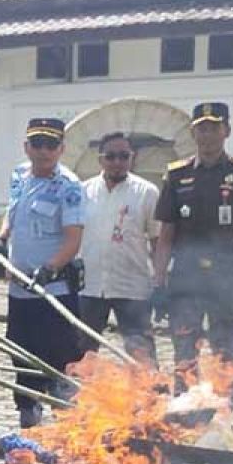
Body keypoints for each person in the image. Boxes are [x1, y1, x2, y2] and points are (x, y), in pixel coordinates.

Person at [154, 102, 233, 393]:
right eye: (201, 129)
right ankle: (183, 420)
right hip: (186, 281)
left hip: (227, 280)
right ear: (193, 133)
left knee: (225, 357)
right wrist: (158, 282)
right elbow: (166, 234)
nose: (207, 135)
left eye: (213, 128)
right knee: (184, 355)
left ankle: (223, 417)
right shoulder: (176, 175)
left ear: (226, 131)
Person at [0, 117, 85, 428]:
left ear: (61, 149)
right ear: (27, 146)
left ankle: (66, 424)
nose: (44, 151)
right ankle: (28, 416)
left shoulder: (69, 186)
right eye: (37, 143)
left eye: (51, 144)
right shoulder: (19, 175)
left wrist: (50, 268)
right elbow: (12, 212)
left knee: (59, 356)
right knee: (20, 351)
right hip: (19, 289)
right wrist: (1, 238)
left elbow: (73, 239)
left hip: (53, 291)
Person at [79, 132, 160, 365]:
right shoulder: (83, 192)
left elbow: (157, 239)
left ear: (132, 158)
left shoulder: (147, 192)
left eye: (124, 156)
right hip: (91, 287)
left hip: (132, 286)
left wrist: (161, 280)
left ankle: (149, 400)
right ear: (100, 159)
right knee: (82, 352)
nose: (117, 162)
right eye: (111, 156)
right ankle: (79, 398)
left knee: (141, 353)